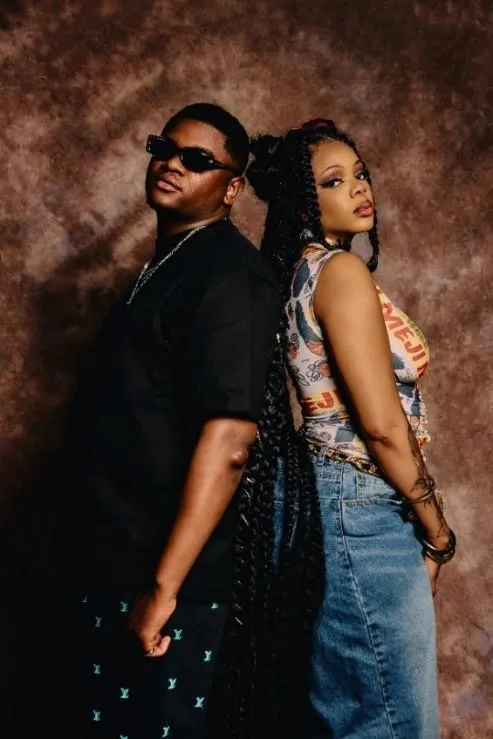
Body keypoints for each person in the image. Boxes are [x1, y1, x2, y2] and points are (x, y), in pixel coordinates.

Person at [217, 118, 456, 739]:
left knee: (348, 713)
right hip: (362, 505)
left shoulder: (295, 273)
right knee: (393, 722)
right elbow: (381, 427)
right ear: (304, 201)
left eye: (360, 173)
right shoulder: (339, 273)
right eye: (333, 180)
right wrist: (436, 530)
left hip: (325, 501)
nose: (358, 188)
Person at [48, 102, 280, 739]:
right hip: (110, 561)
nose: (172, 163)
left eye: (197, 159)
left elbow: (231, 439)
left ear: (232, 188)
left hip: (173, 582)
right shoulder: (167, 265)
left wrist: (163, 587)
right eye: (164, 148)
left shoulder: (232, 276)